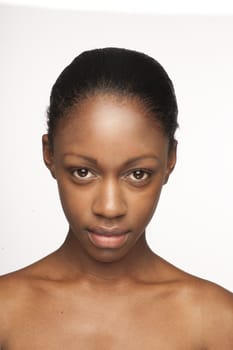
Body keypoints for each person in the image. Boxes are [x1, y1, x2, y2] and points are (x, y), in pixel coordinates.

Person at [0, 47, 232, 349]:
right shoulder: (6, 314)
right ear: (49, 154)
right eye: (83, 172)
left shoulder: (216, 321)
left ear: (170, 159)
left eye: (138, 174)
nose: (109, 208)